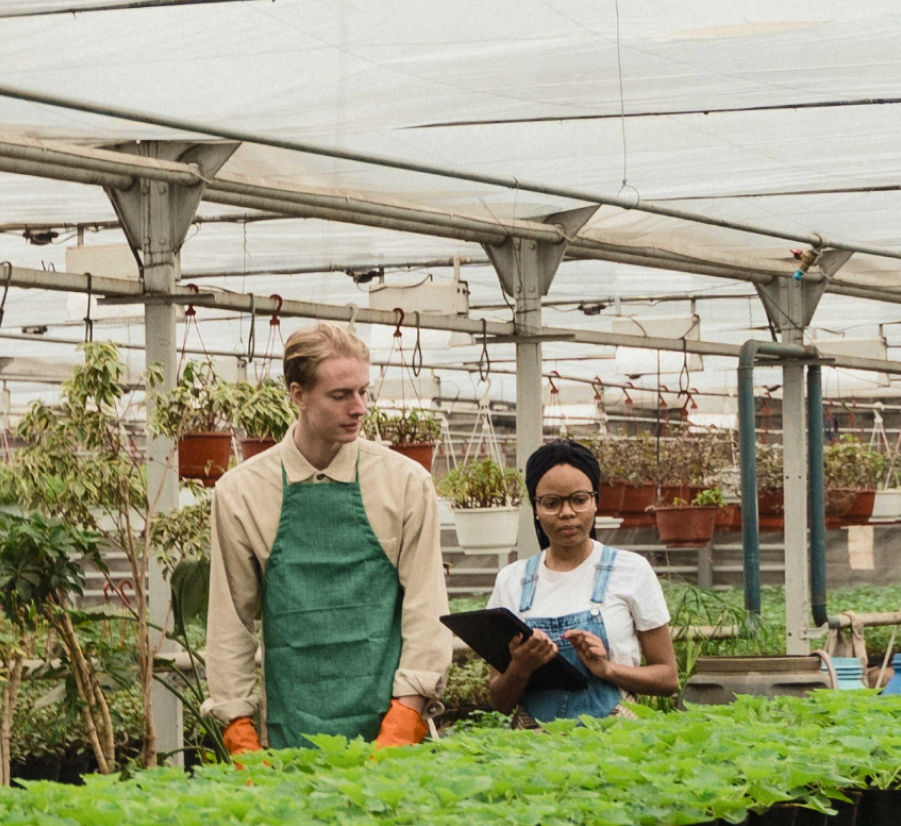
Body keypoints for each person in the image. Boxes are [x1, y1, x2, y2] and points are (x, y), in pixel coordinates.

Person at [204, 322, 450, 753]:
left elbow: (427, 609)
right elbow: (230, 622)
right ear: (298, 394)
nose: (359, 408)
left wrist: (405, 718)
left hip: (390, 729)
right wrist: (238, 730)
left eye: (363, 392)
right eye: (340, 395)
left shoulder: (405, 483)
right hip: (289, 730)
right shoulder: (242, 493)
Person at [487, 439, 678, 723]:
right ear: (535, 508)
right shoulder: (512, 580)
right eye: (551, 503)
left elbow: (668, 678)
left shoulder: (631, 570)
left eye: (579, 500)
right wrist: (520, 667)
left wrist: (607, 669)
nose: (566, 512)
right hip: (534, 743)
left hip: (616, 739)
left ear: (595, 501)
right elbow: (499, 702)